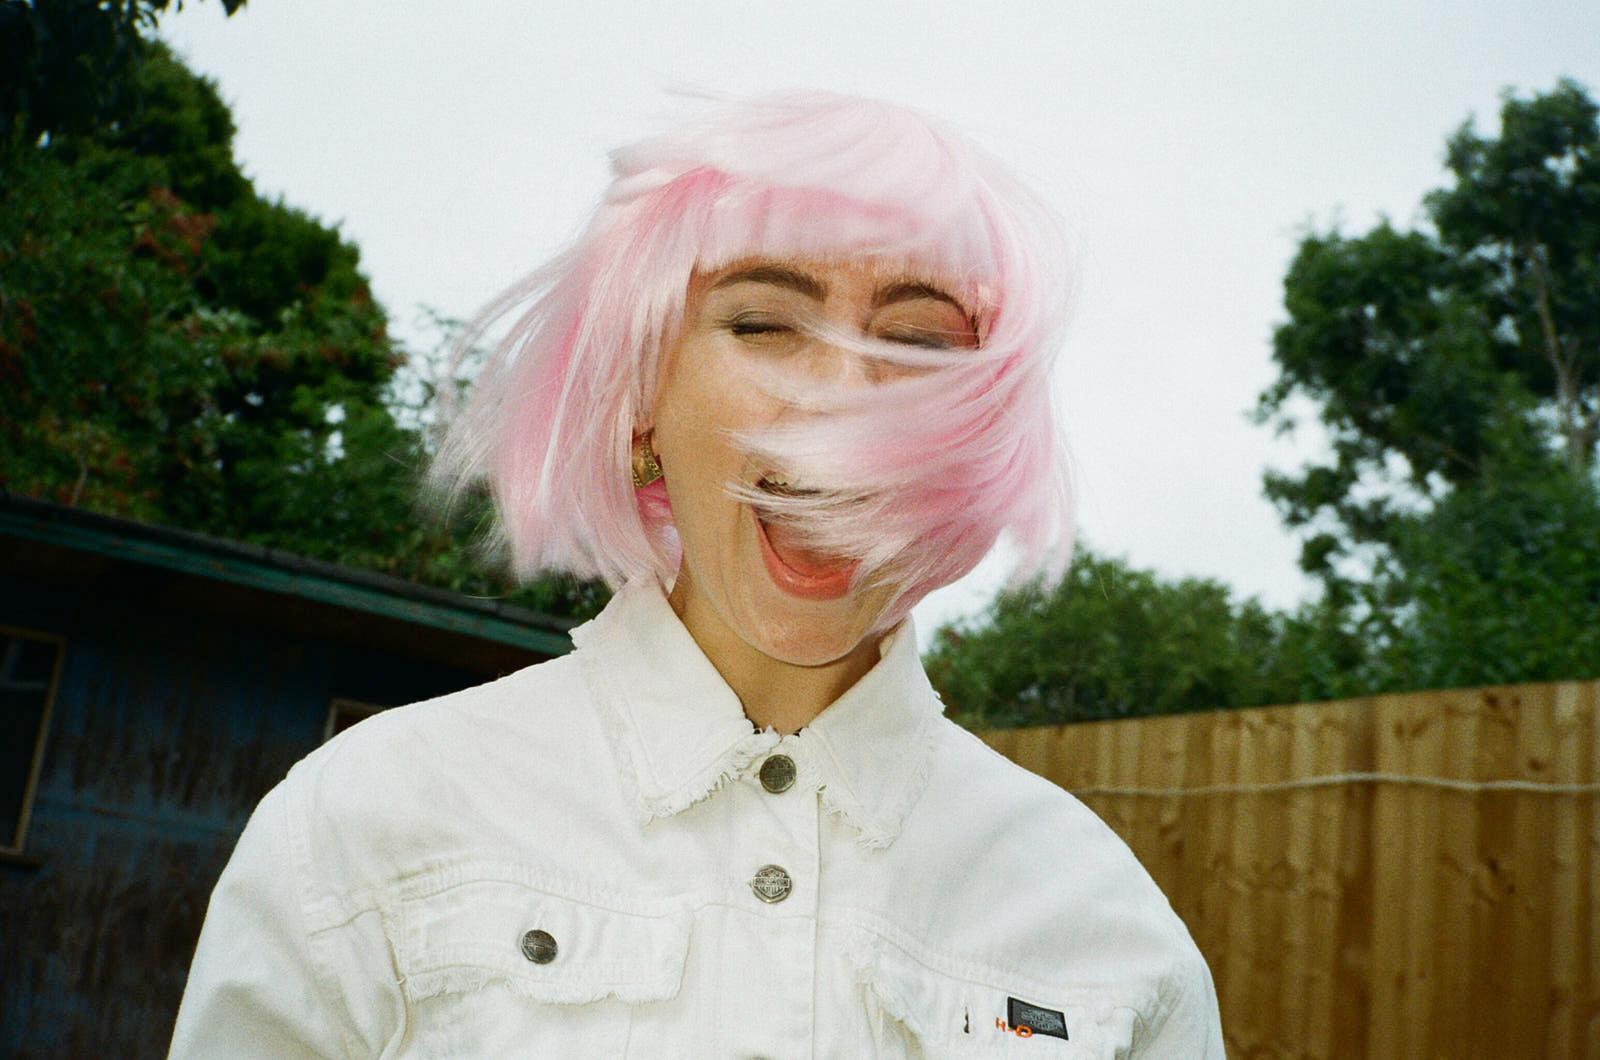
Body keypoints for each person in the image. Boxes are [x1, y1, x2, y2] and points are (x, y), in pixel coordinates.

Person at [170, 90, 1225, 1057]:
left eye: (915, 341)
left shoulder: (1107, 932)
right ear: (641, 399)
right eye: (762, 319)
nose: (841, 394)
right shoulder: (365, 825)